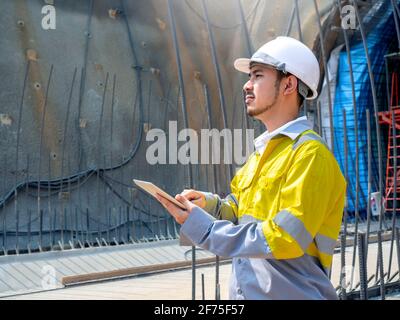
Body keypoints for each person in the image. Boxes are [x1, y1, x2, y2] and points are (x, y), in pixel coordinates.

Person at [156, 36, 346, 300]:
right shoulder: (261, 154)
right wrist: (208, 206)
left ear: (289, 84)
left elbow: (285, 238)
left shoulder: (311, 155)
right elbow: (240, 210)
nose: (247, 85)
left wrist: (207, 230)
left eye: (257, 76)